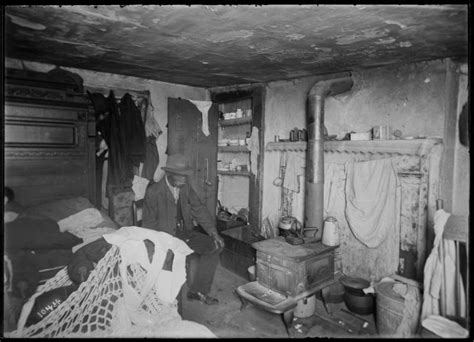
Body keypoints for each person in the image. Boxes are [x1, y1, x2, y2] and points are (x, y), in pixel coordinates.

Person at [142, 153, 224, 305]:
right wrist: (156, 250)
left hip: (185, 235)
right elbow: (148, 227)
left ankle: (198, 291)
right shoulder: (153, 192)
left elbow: (198, 209)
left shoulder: (185, 187)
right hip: (165, 240)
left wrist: (214, 233)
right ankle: (169, 302)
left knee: (215, 246)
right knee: (170, 271)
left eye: (186, 176)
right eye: (181, 176)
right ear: (169, 173)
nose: (185, 180)